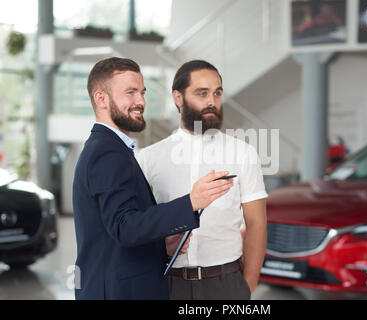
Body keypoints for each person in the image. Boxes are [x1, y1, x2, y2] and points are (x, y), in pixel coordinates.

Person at [72, 57, 233, 300]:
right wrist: (191, 201)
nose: (141, 102)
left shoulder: (111, 148)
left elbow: (112, 233)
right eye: (130, 93)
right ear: (101, 98)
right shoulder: (107, 152)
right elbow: (124, 227)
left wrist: (160, 247)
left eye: (142, 92)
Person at [137, 60, 267, 300]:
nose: (212, 101)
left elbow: (256, 223)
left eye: (217, 93)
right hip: (167, 283)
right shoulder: (148, 160)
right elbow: (140, 226)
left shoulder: (243, 153)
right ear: (178, 98)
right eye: (202, 93)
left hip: (226, 284)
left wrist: (247, 286)